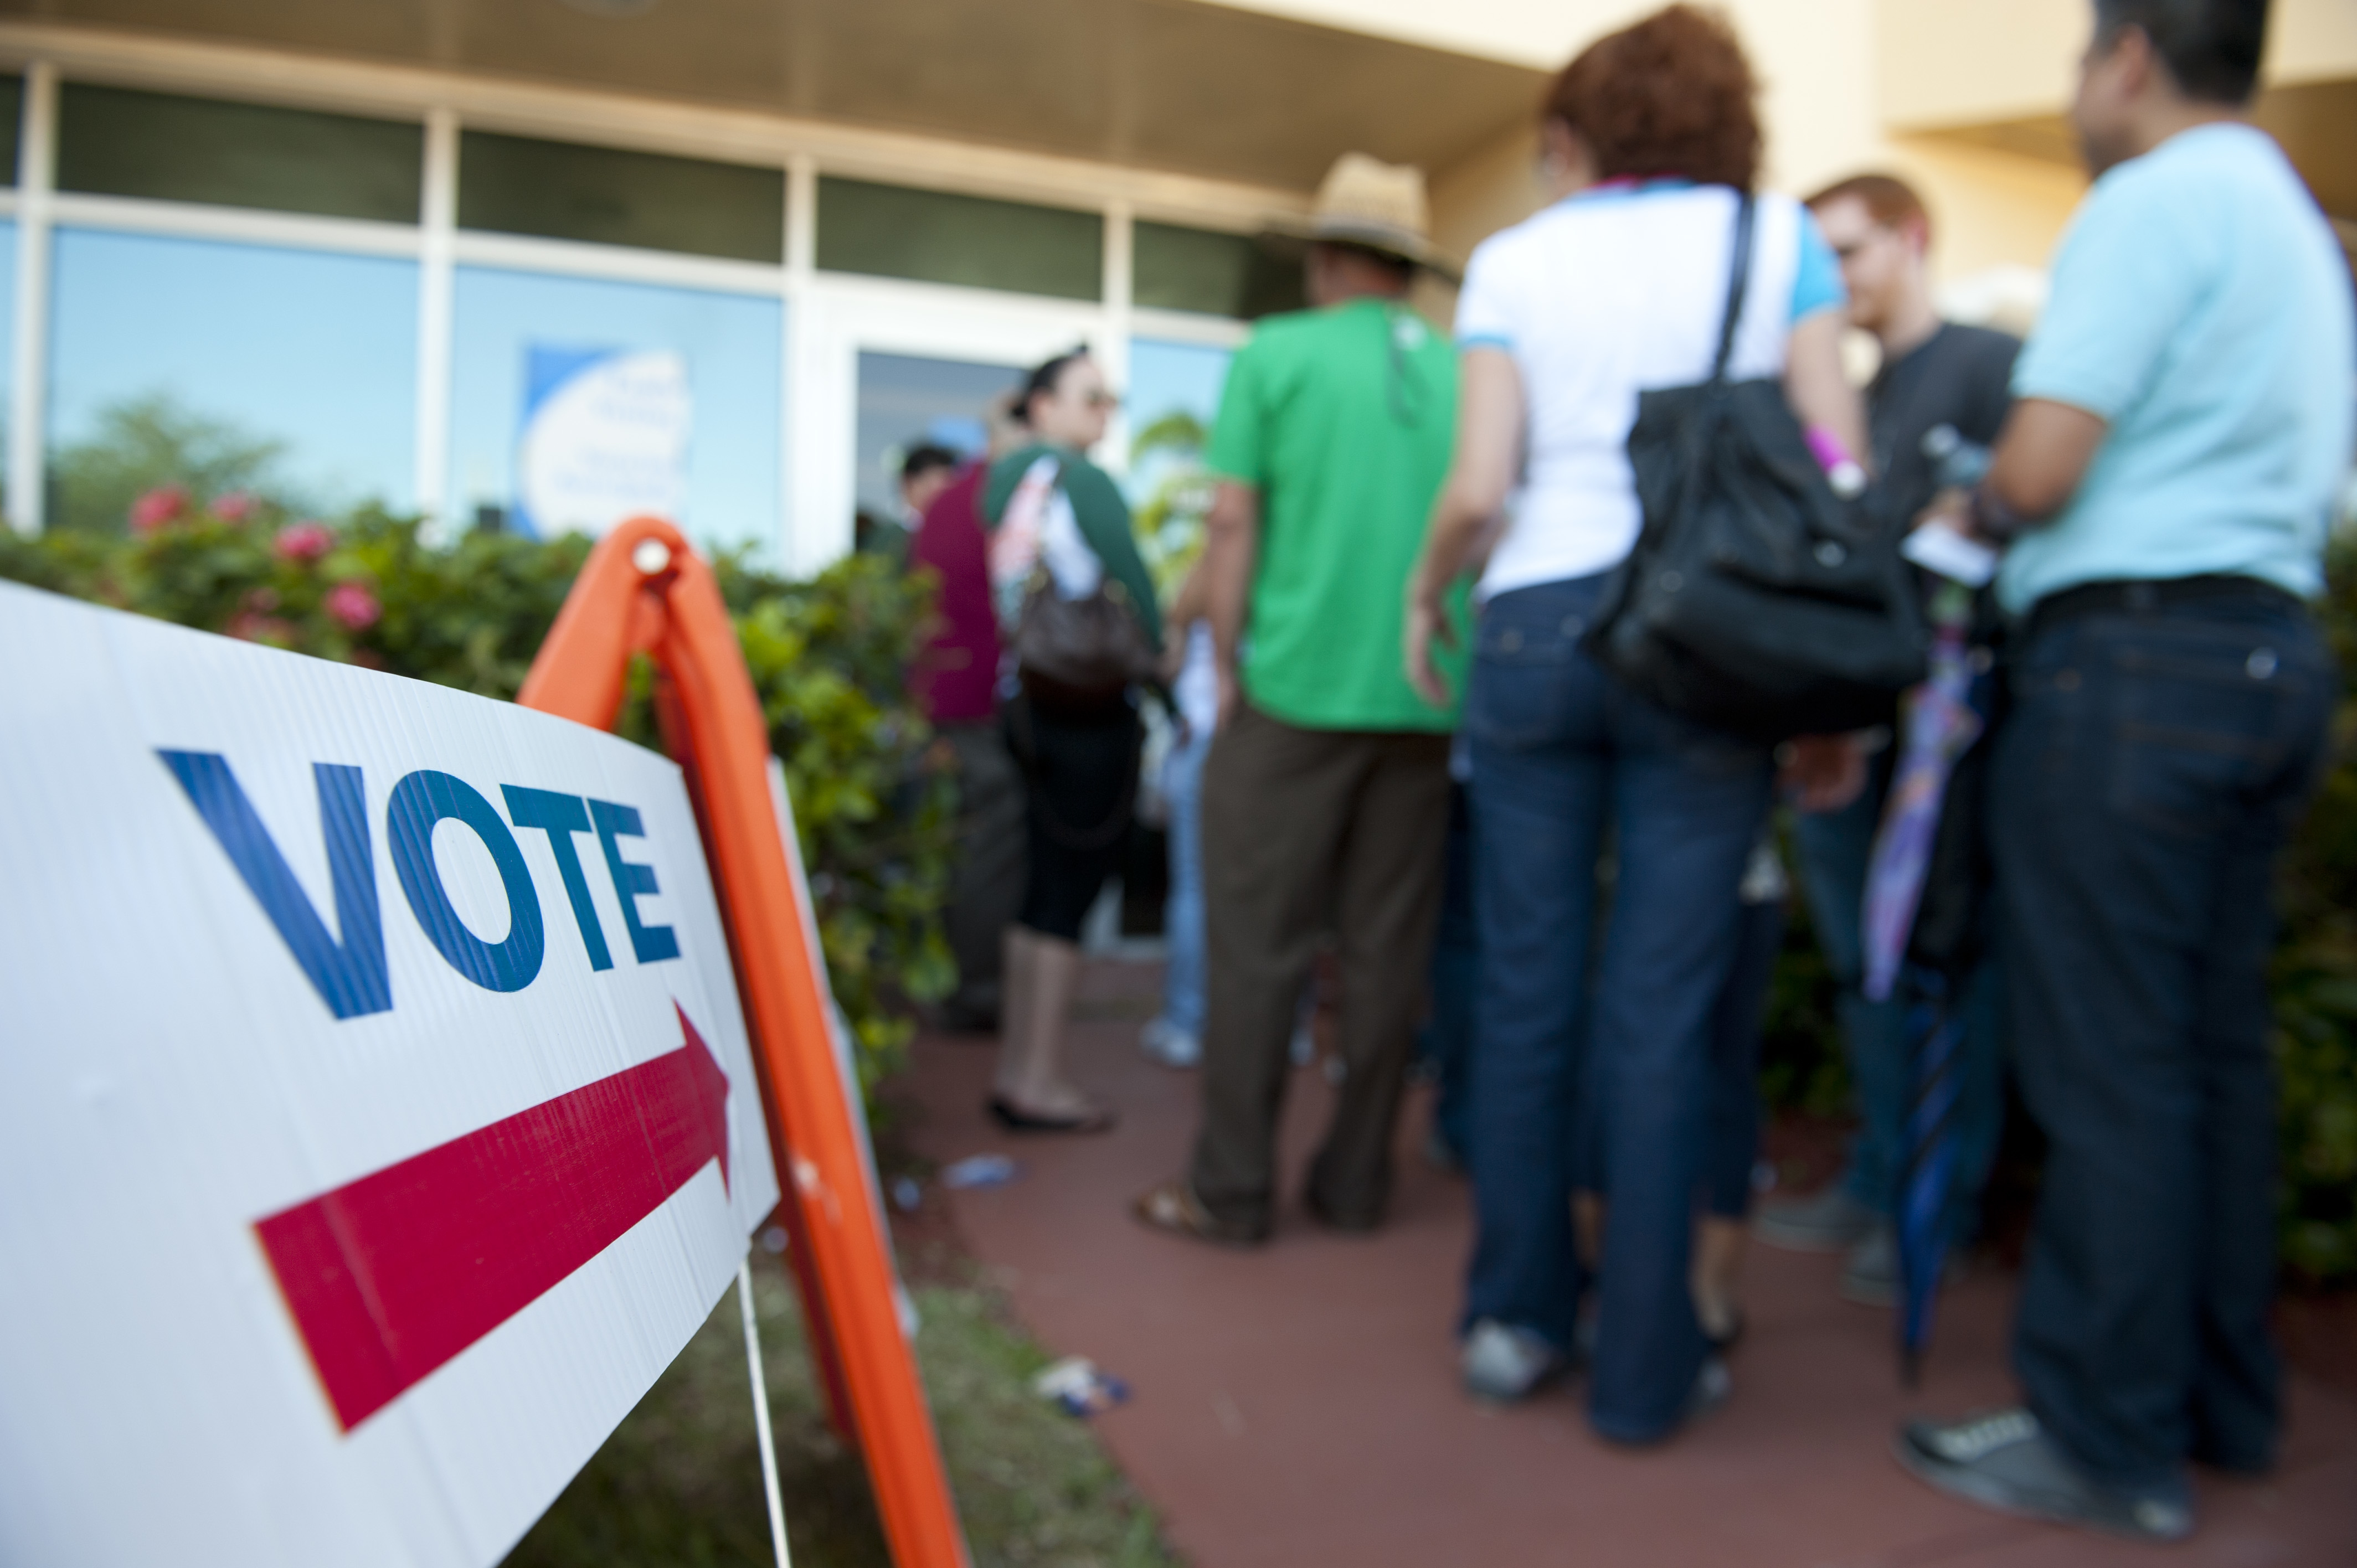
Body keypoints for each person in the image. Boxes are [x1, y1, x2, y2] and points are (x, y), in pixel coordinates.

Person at [1895, 0, 2351, 1541]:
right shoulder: (2293, 220)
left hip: (2133, 668)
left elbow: (2040, 466)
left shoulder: (2154, 199)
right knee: (2210, 1054)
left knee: (2111, 1061)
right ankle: (2219, 1403)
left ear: (2133, 55)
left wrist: (1967, 511)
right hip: (2265, 655)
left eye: (2084, 59)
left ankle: (2102, 1437)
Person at [1402, 6, 1867, 1443]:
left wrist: (1425, 593)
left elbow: (1480, 488)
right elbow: (1835, 461)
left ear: (1579, 129)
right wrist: (1832, 684)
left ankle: (1514, 1318)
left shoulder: (1515, 259)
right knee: (1665, 1010)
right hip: (1705, 639)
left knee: (1525, 988)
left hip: (1535, 628)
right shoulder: (1776, 240)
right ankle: (1647, 1370)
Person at [1131, 153, 1464, 1246]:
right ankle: (1355, 1185)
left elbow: (1231, 522)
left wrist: (1225, 664)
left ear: (1324, 259)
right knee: (1386, 959)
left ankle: (1230, 1192)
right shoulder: (1464, 371)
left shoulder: (1276, 352)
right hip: (1424, 700)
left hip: (1292, 693)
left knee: (1257, 952)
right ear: (1407, 269)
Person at [1752, 171, 2021, 1303]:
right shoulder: (1855, 392)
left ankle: (1939, 1203)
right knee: (1867, 968)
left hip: (1947, 740)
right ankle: (1878, 1176)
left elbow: (2012, 536)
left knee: (1945, 965)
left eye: (1848, 251)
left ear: (1912, 239)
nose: (1832, 279)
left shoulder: (1990, 367)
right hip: (1847, 735)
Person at [980, 348, 1162, 1133]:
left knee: (1038, 891)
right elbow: (1139, 588)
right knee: (1069, 895)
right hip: (1087, 709)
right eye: (1091, 398)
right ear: (1043, 406)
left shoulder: (1005, 480)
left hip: (1026, 701)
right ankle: (1042, 1081)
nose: (1105, 413)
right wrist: (1164, 658)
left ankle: (1017, 1067)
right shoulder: (1083, 480)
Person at [910, 408, 1027, 1033]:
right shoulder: (995, 499)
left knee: (954, 843)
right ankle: (974, 993)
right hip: (974, 702)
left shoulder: (949, 502)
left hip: (941, 699)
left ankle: (950, 983)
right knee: (989, 843)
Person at [1140, 563, 1216, 1070]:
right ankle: (1286, 1029)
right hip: (1276, 742)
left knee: (1194, 887)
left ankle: (1186, 1022)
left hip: (1207, 734)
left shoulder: (1210, 570)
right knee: (1283, 889)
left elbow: (1170, 656)